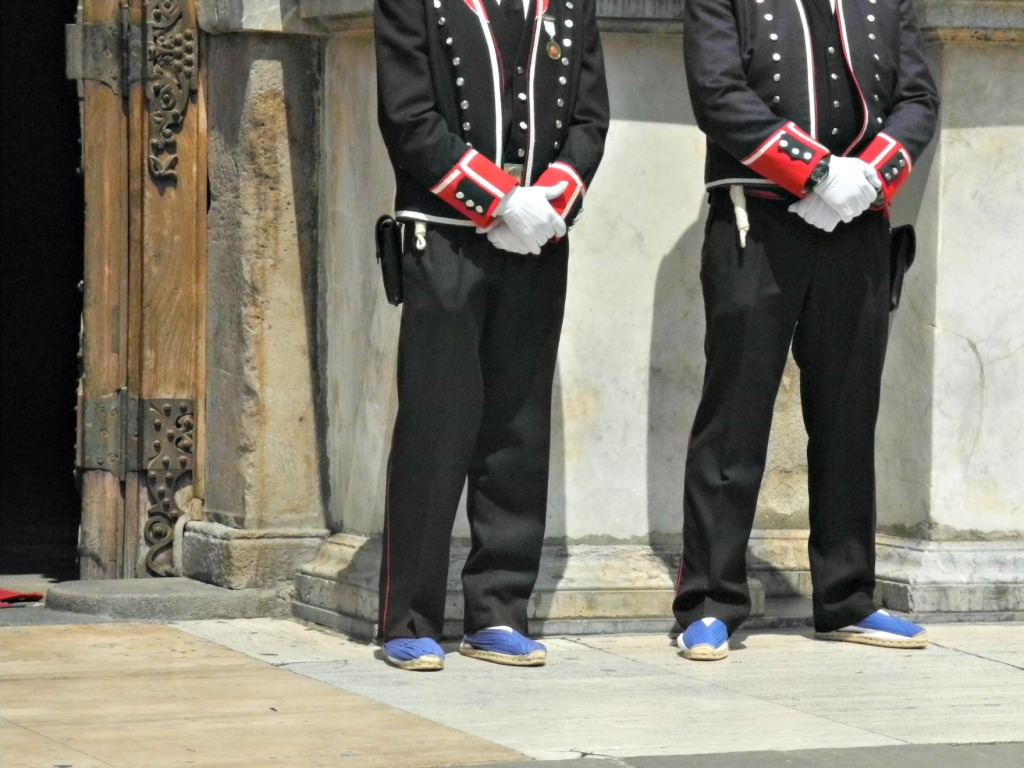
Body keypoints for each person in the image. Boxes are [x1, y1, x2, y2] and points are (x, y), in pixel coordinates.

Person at [674, 0, 939, 661]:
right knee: (734, 417)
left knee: (849, 416)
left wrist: (870, 174)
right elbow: (717, 91)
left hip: (859, 221)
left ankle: (848, 596)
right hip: (755, 219)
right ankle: (710, 601)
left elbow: (917, 97)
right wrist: (814, 171)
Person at [373, 0, 609, 671]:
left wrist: (549, 199)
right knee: (436, 424)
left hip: (537, 236)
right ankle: (408, 615)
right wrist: (496, 199)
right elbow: (408, 116)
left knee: (519, 426)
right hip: (446, 234)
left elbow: (590, 119)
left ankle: (498, 610)